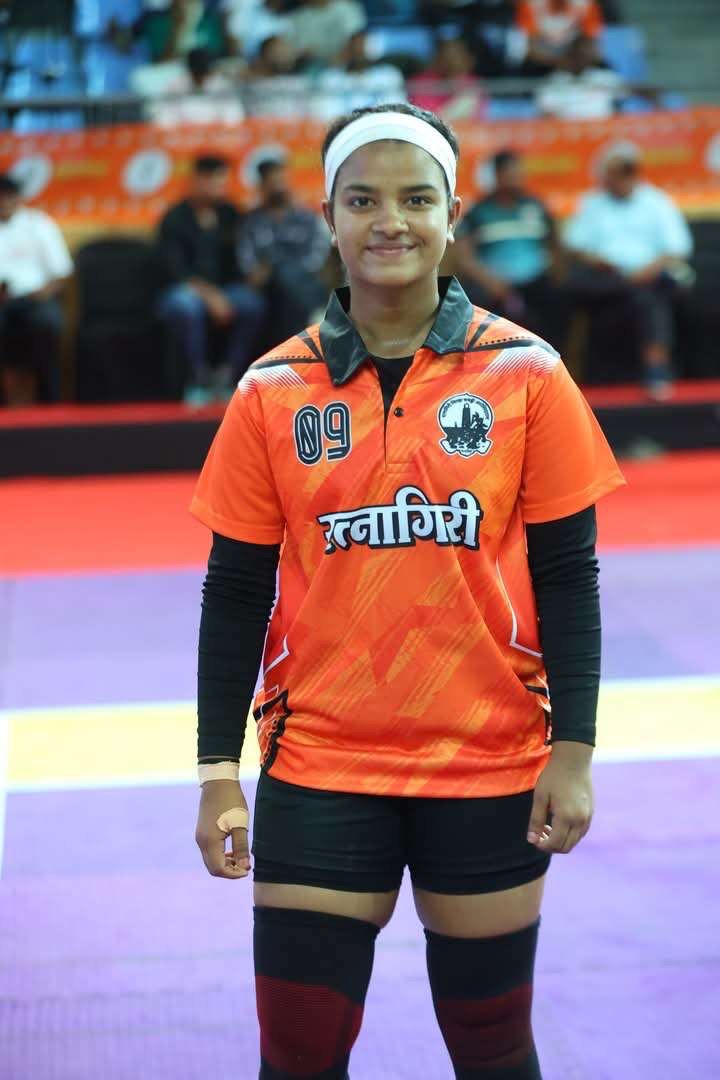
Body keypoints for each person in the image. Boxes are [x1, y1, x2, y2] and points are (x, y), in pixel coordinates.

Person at [191, 102, 625, 1079]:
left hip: (491, 762)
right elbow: (235, 590)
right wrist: (218, 769)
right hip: (321, 763)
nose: (391, 221)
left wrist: (574, 750)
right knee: (298, 1055)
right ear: (328, 218)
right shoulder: (270, 390)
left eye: (416, 198)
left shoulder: (528, 374)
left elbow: (569, 576)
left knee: (492, 1048)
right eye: (363, 200)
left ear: (453, 214)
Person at [565, 141, 694, 398]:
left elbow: (678, 247)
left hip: (649, 275)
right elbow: (574, 246)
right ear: (605, 175)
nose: (623, 179)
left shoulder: (656, 201)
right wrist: (599, 261)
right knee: (573, 286)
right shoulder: (593, 203)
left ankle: (655, 368)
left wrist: (647, 270)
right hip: (608, 276)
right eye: (617, 173)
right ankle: (557, 373)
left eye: (628, 172)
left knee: (649, 296)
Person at [156, 154, 267, 404]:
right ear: (198, 180)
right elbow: (176, 271)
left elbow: (241, 260)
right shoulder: (174, 218)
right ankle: (198, 377)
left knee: (252, 304)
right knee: (185, 307)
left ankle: (228, 374)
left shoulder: (230, 213)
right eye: (215, 182)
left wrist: (253, 276)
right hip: (185, 290)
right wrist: (211, 297)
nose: (221, 188)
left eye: (223, 182)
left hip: (226, 291)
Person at [453, 148, 567, 348]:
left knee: (560, 296)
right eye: (510, 172)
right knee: (475, 301)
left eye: (519, 171)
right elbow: (464, 256)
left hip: (536, 281)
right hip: (493, 284)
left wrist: (556, 269)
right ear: (497, 175)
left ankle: (550, 360)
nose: (517, 176)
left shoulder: (535, 206)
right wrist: (490, 281)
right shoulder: (479, 211)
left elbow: (555, 244)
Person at [236, 157, 331, 342]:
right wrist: (264, 272)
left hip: (304, 284)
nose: (278, 187)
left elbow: (316, 259)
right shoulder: (251, 222)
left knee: (287, 279)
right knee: (281, 283)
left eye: (281, 180)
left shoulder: (306, 218)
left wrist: (280, 267)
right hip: (267, 288)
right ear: (262, 186)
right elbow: (248, 265)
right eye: (272, 182)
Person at [0, 173, 73, 405]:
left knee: (48, 323)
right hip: (3, 300)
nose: (3, 203)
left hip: (37, 297)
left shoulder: (38, 224)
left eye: (8, 197)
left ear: (18, 198)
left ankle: (50, 398)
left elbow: (62, 273)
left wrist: (44, 293)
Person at [143, 46, 244, 126]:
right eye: (197, 74)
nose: (201, 78)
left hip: (217, 137)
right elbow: (163, 118)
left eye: (204, 73)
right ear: (190, 71)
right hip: (183, 138)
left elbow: (234, 117)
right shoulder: (176, 87)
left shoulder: (222, 86)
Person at [535, 33, 623, 119]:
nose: (582, 58)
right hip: (565, 126)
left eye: (586, 54)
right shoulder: (554, 80)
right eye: (579, 53)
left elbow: (620, 104)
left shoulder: (605, 77)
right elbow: (546, 112)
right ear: (571, 54)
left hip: (602, 125)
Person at [410, 34, 487, 120]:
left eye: (456, 53)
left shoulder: (475, 84)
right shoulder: (422, 82)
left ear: (469, 59)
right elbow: (425, 118)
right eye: (446, 53)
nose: (450, 59)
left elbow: (478, 118)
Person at [515, 0, 604, 74]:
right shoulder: (531, 4)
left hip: (576, 58)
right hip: (541, 60)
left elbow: (591, 34)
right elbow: (528, 36)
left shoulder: (585, 4)